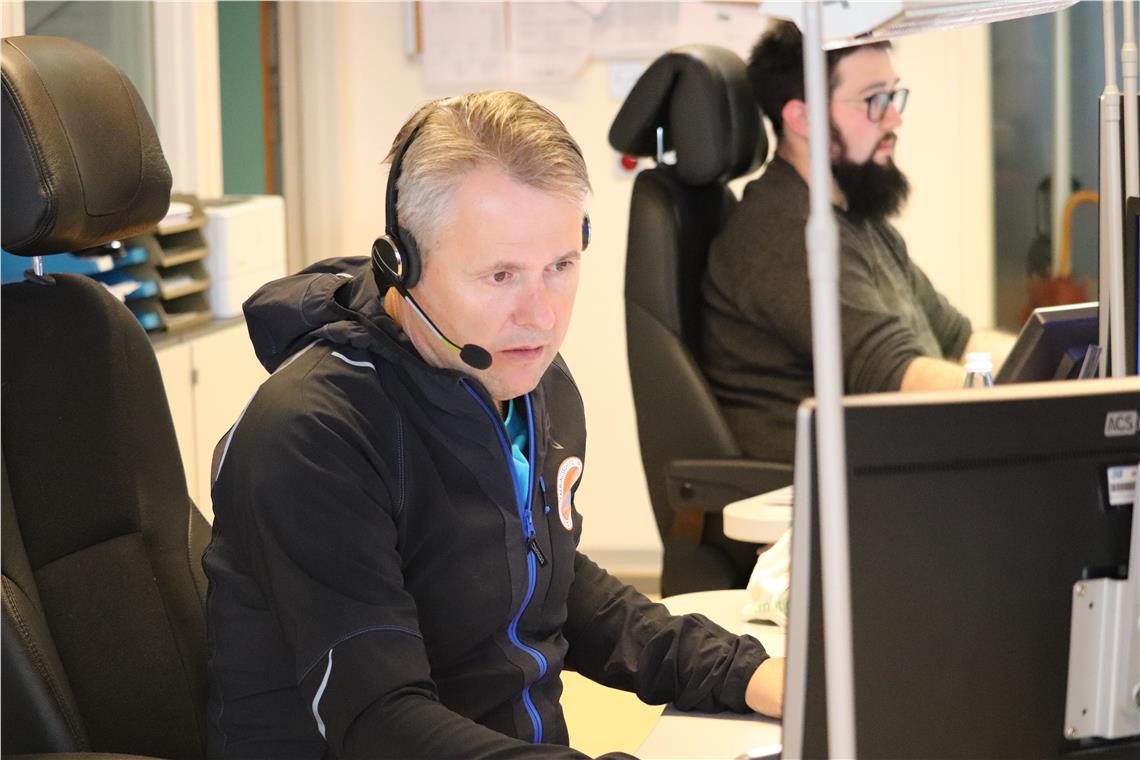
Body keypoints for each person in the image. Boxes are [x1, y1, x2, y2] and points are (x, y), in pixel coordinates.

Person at [203, 91, 784, 759]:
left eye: (561, 266)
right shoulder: (313, 434)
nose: (540, 316)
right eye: (501, 275)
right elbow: (380, 722)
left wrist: (746, 673)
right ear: (401, 264)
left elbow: (548, 583)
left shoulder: (527, 381)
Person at [702, 21, 1014, 465]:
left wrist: (1056, 371)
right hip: (827, 488)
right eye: (873, 100)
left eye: (893, 95)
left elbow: (957, 338)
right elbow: (895, 377)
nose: (894, 118)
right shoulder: (789, 235)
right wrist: (1020, 403)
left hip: (880, 465)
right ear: (802, 118)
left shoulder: (854, 217)